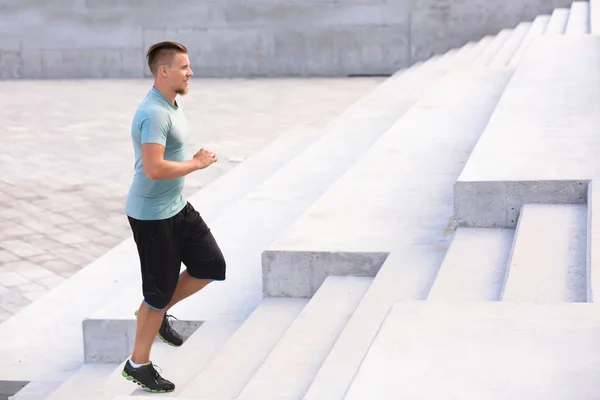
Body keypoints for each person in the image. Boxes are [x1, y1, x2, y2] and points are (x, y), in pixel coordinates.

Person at [122, 41, 226, 393]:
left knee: (211, 264)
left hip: (176, 206)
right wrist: (197, 164)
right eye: (184, 67)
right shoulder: (154, 113)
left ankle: (157, 311)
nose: (190, 72)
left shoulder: (171, 103)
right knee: (155, 293)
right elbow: (153, 169)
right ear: (163, 71)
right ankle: (138, 364)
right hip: (152, 217)